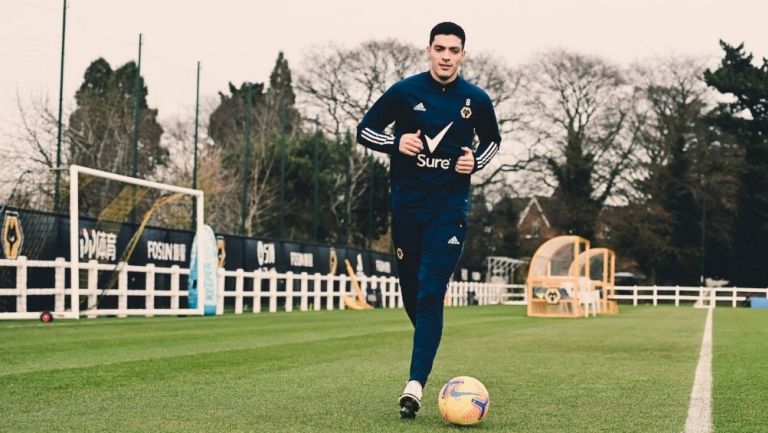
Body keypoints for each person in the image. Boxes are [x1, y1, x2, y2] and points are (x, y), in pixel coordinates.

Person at [356, 22, 502, 419]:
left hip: (449, 212)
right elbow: (364, 129)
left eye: (454, 50)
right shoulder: (405, 92)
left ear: (463, 55)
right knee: (412, 297)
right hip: (407, 210)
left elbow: (491, 142)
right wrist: (395, 142)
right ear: (428, 51)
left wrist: (475, 162)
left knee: (429, 294)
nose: (446, 56)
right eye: (440, 49)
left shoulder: (476, 99)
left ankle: (414, 385)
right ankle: (427, 344)